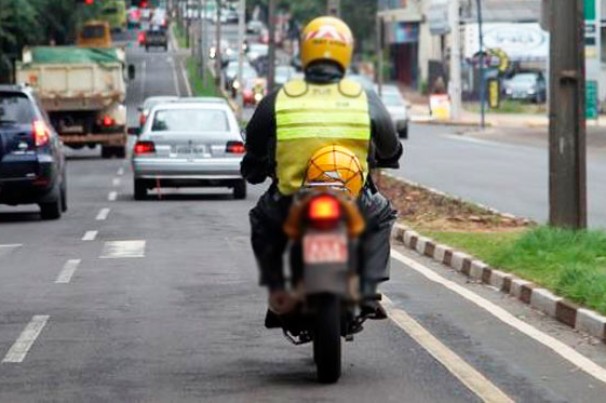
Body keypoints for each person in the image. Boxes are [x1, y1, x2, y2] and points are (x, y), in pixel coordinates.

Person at [241, 16, 402, 320]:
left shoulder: (279, 98)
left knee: (261, 220)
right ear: (346, 52)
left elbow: (254, 144)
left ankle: (277, 286)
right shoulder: (363, 97)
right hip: (353, 200)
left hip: (290, 201)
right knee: (383, 215)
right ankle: (368, 286)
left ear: (305, 51)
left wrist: (254, 167)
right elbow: (390, 145)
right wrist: (390, 155)